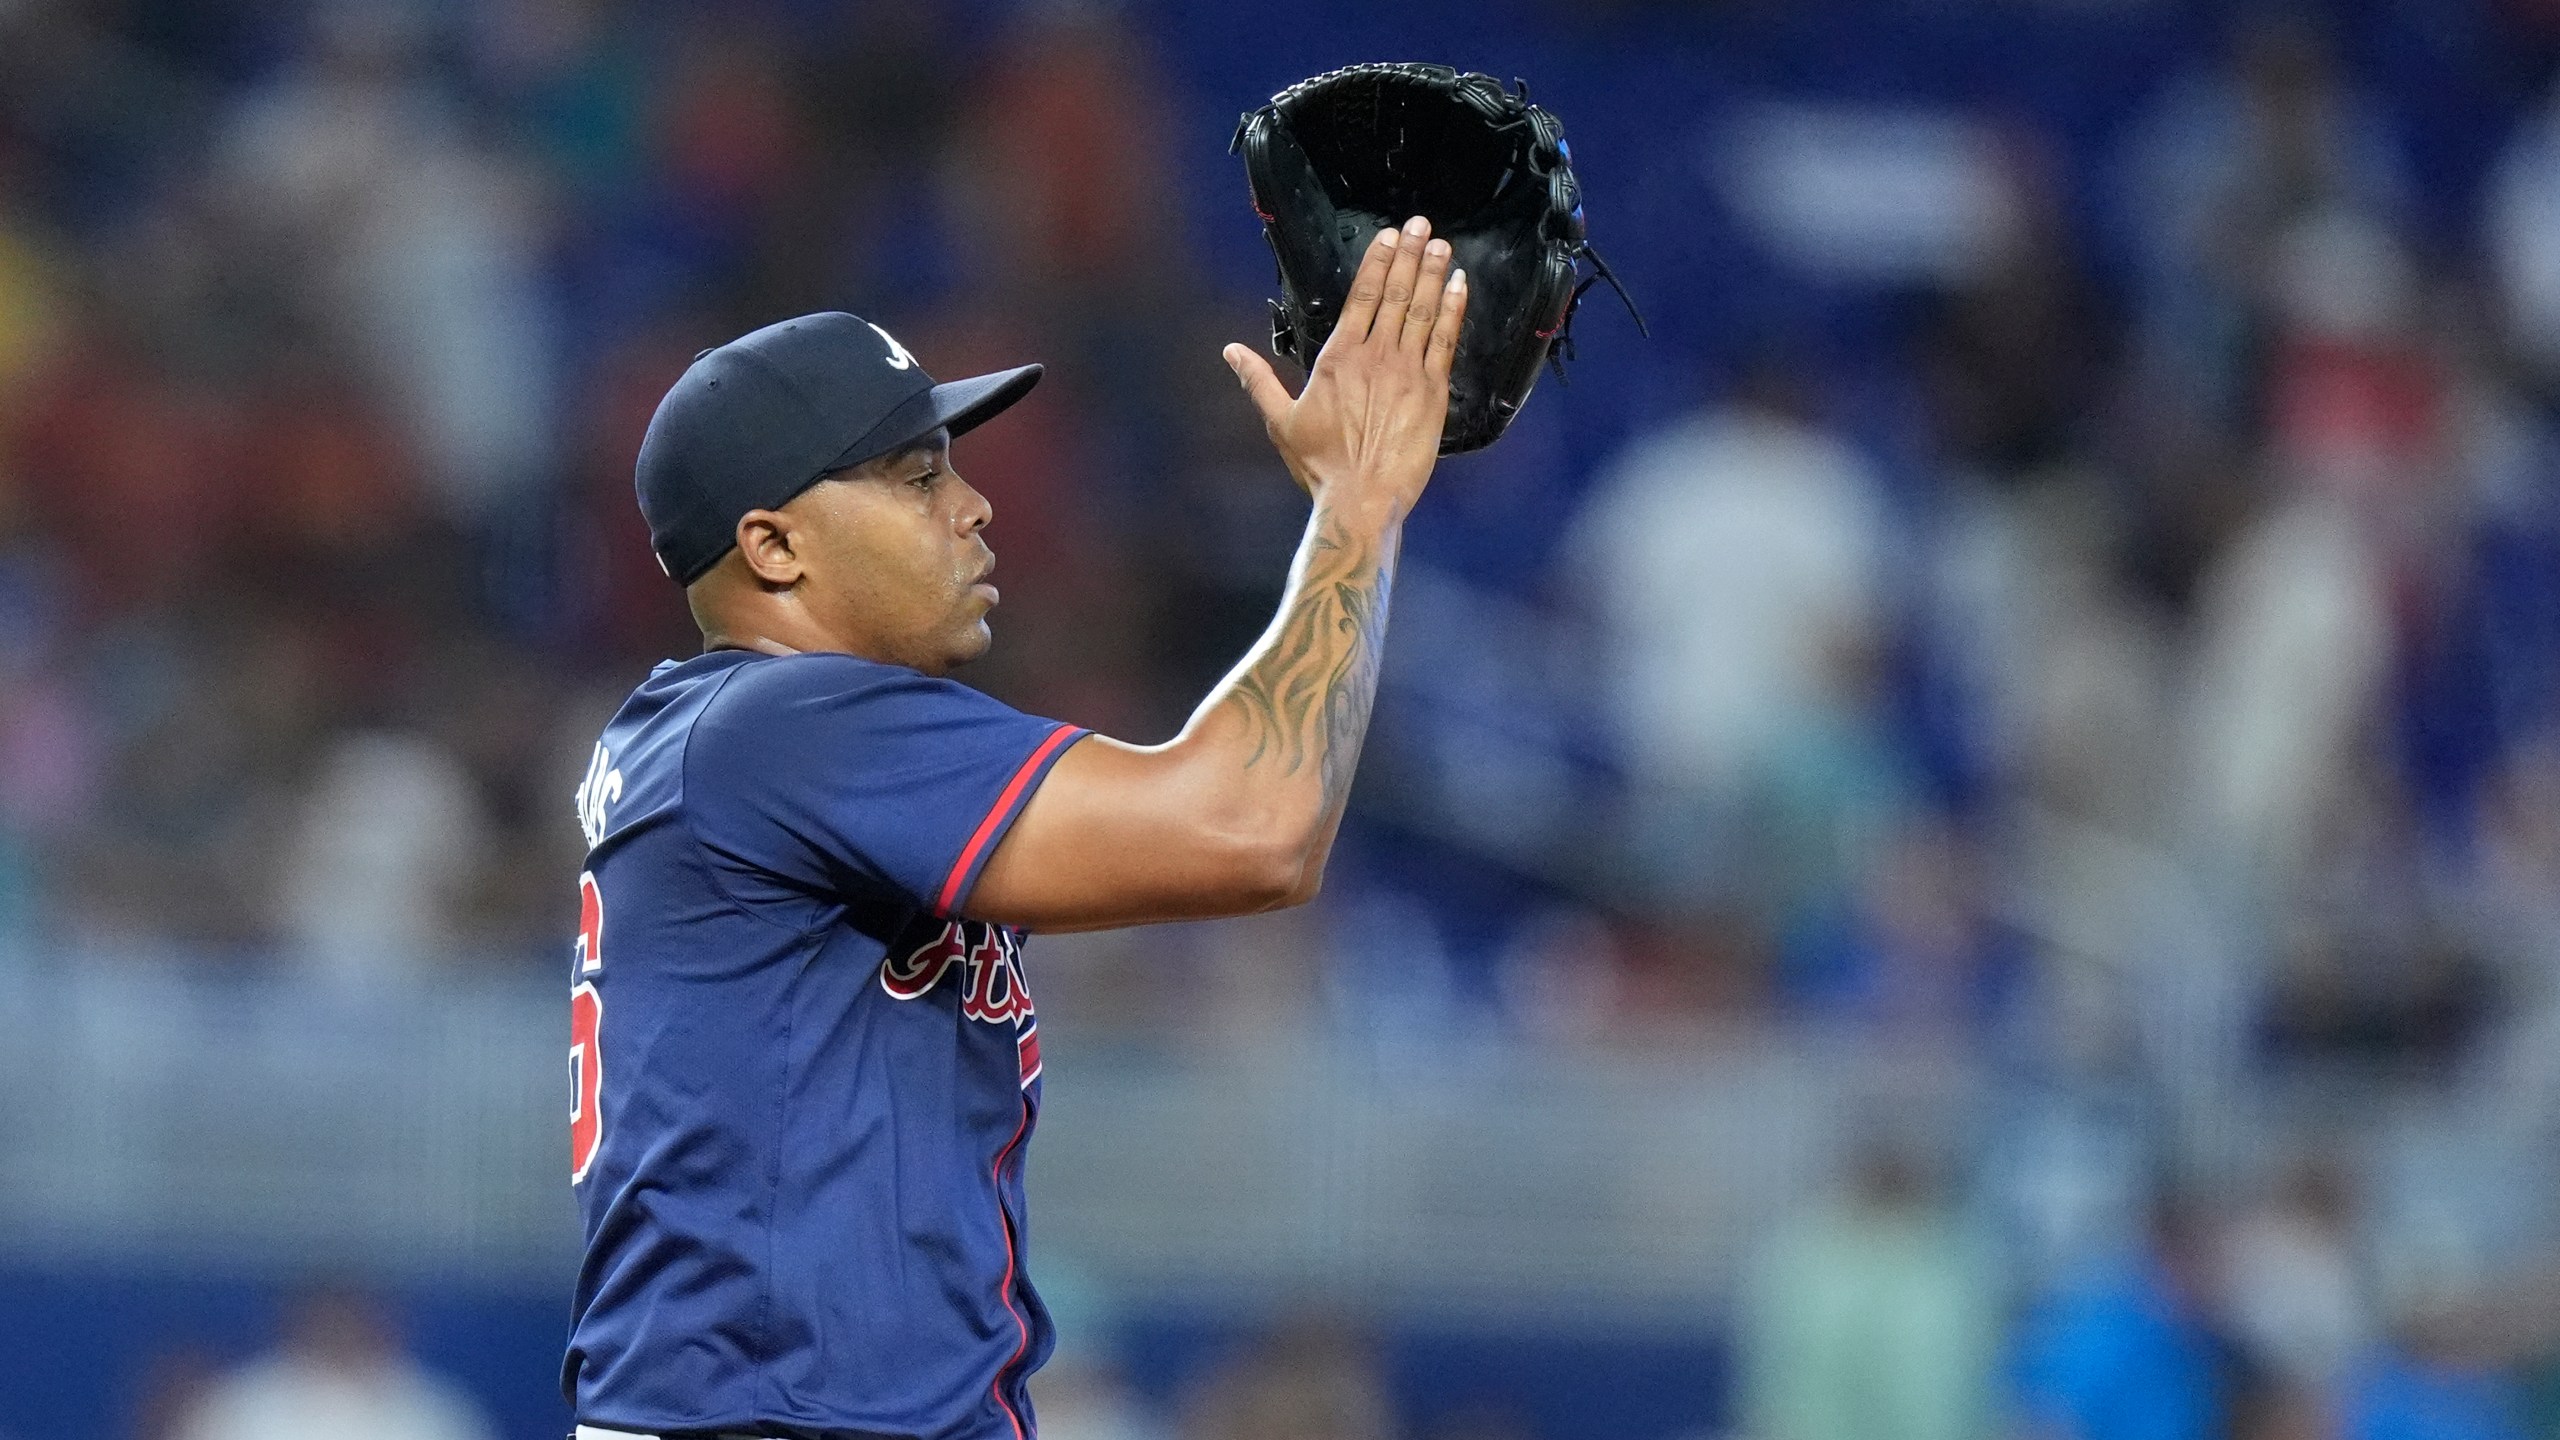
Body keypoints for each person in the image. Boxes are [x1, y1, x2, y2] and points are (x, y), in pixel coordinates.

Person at [565, 217, 1466, 1438]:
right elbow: (1253, 828)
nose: (977, 506)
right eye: (917, 477)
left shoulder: (744, 739)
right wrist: (1355, 509)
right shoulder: (787, 724)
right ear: (772, 544)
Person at [175, 1286, 496, 1440]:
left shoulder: (433, 1411)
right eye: (329, 1322)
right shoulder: (239, 1404)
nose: (340, 1333)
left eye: (350, 1322)